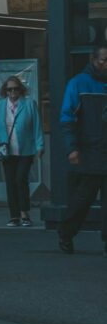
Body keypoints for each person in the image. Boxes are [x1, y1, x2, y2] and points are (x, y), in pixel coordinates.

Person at [57, 43, 107, 255]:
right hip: (89, 152)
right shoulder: (78, 84)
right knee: (83, 199)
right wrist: (72, 148)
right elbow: (67, 119)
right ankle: (66, 234)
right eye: (103, 61)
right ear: (93, 60)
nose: (106, 65)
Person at [0, 74, 44, 227]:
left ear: (21, 90)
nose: (12, 92)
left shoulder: (29, 104)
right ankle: (14, 216)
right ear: (5, 91)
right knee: (10, 182)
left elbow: (37, 126)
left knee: (20, 180)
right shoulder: (0, 106)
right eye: (9, 89)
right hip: (7, 150)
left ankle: (25, 213)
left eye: (15, 89)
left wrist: (40, 146)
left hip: (25, 149)